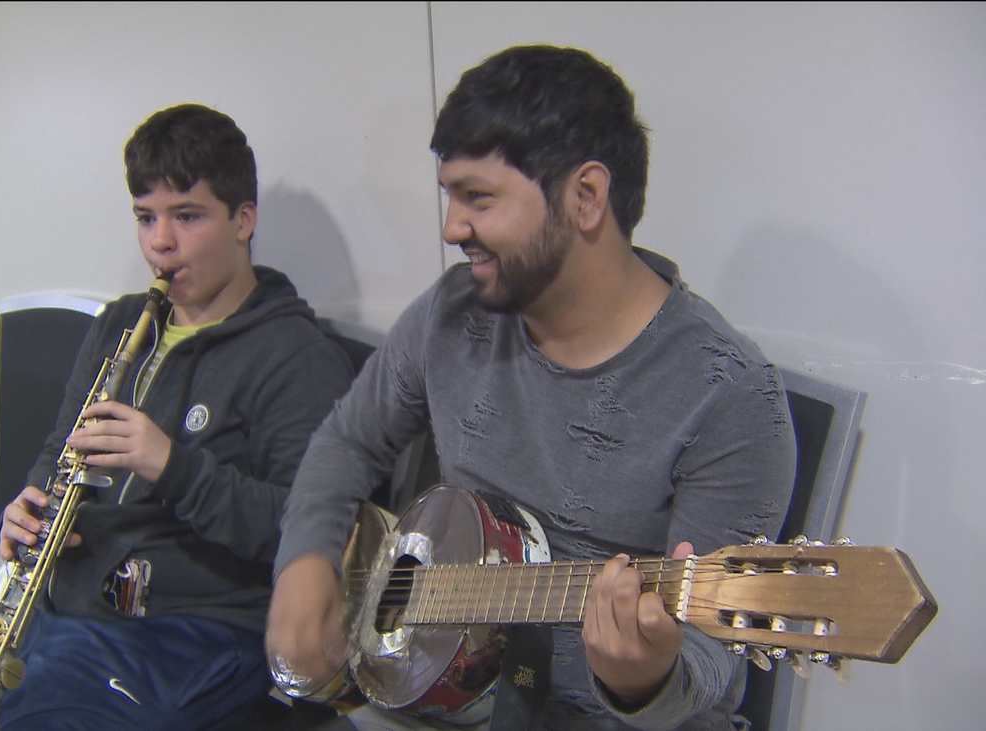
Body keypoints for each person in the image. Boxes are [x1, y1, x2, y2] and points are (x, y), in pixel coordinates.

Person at [266, 44, 798, 731]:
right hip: (438, 696)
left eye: (477, 198)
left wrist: (643, 676)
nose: (452, 228)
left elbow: (709, 658)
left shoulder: (728, 394)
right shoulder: (451, 312)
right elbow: (348, 438)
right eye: (450, 197)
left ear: (584, 198)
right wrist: (305, 558)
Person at [0, 103, 356, 730]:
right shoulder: (120, 323)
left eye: (187, 216)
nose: (160, 242)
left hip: (189, 629)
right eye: (145, 217)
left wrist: (171, 467)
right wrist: (29, 505)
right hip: (58, 603)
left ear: (243, 220)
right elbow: (60, 446)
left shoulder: (297, 357)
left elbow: (310, 536)